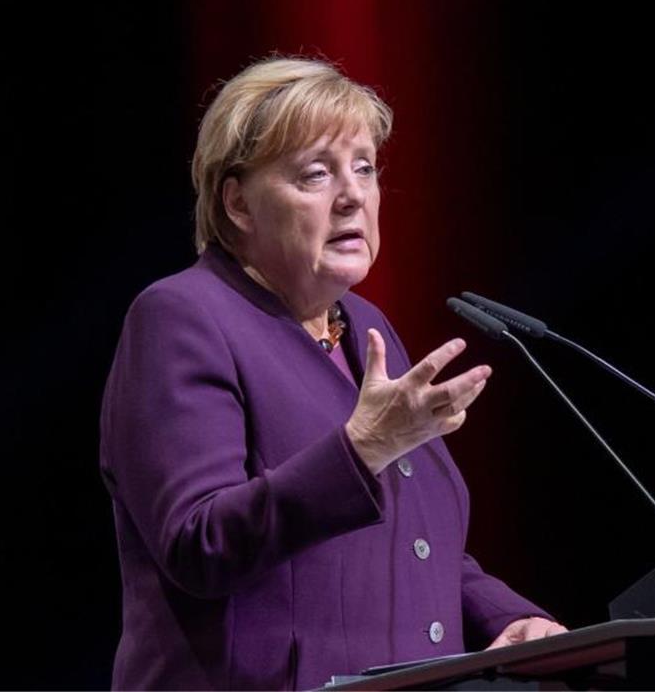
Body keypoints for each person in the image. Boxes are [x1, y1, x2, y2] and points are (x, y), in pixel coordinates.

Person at [99, 56, 566, 690]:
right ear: (238, 203)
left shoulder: (363, 326)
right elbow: (199, 543)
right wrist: (364, 447)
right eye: (316, 173)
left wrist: (505, 617)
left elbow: (408, 547)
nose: (353, 195)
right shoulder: (183, 317)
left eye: (365, 168)